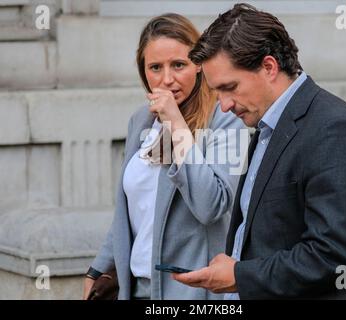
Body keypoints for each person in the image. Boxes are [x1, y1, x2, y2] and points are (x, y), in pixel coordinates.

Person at [173, 3, 346, 299]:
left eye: (230, 87)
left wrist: (238, 276)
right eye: (217, 92)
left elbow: (333, 257)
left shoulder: (336, 129)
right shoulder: (267, 126)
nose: (224, 105)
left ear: (269, 67)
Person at [82, 13, 245, 300]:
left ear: (198, 65)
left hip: (193, 293)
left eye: (178, 65)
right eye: (155, 67)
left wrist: (177, 125)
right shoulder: (140, 121)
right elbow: (133, 210)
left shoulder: (226, 117)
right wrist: (99, 268)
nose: (166, 79)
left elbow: (212, 205)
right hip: (137, 288)